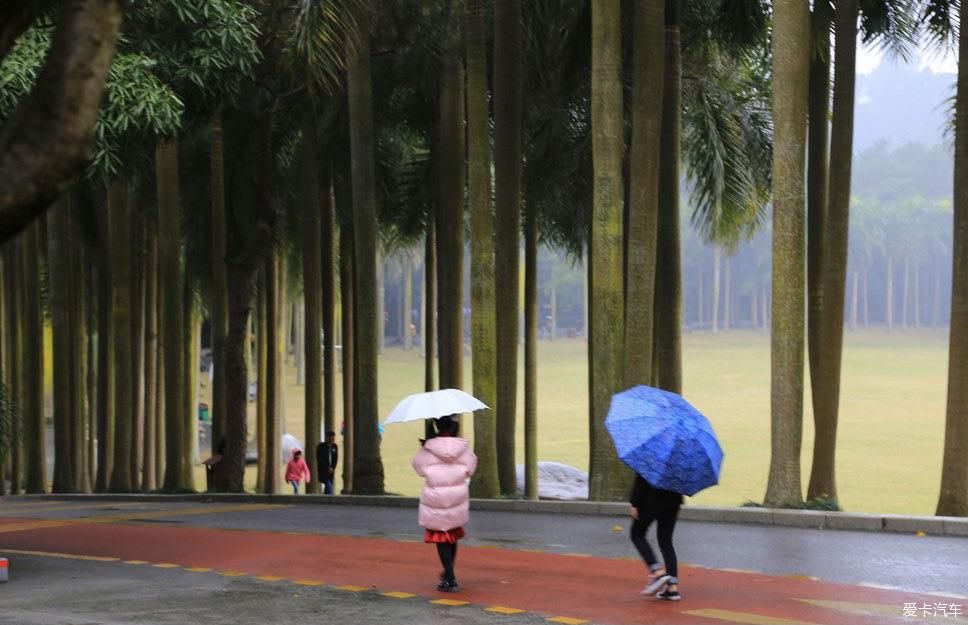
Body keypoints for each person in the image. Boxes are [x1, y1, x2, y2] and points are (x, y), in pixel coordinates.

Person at [412, 416, 477, 593]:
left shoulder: (428, 448)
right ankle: (449, 575)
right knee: (452, 536)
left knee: (440, 537)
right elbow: (471, 468)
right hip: (457, 497)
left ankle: (450, 577)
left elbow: (418, 468)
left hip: (436, 499)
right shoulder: (463, 448)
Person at [629, 473, 684, 601]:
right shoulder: (680, 459)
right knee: (666, 542)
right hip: (673, 500)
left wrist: (634, 502)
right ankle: (672, 588)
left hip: (651, 498)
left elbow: (641, 478)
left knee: (637, 534)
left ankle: (657, 570)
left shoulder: (651, 455)